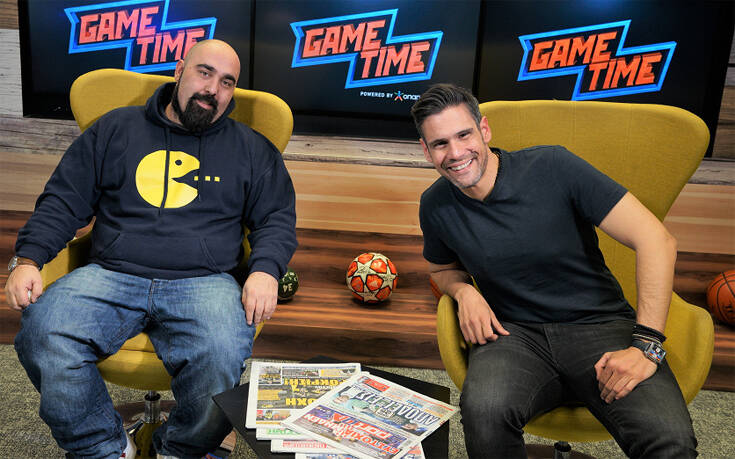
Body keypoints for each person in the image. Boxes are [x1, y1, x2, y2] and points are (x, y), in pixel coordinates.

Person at [4, 39, 297, 459]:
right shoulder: (115, 128)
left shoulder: (251, 149)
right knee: (42, 333)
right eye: (204, 72)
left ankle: (181, 448)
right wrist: (29, 258)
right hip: (111, 272)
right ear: (178, 70)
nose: (213, 89)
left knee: (220, 352)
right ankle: (102, 445)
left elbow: (277, 219)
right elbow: (63, 201)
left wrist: (266, 270)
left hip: (206, 280)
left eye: (227, 82)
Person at [411, 83, 696, 458]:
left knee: (670, 440)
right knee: (484, 413)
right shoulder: (435, 205)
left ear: (484, 130)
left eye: (464, 135)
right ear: (426, 150)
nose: (456, 153)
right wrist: (464, 292)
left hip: (599, 325)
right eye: (440, 143)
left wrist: (646, 346)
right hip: (513, 335)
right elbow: (441, 269)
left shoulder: (553, 166)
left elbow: (657, 240)